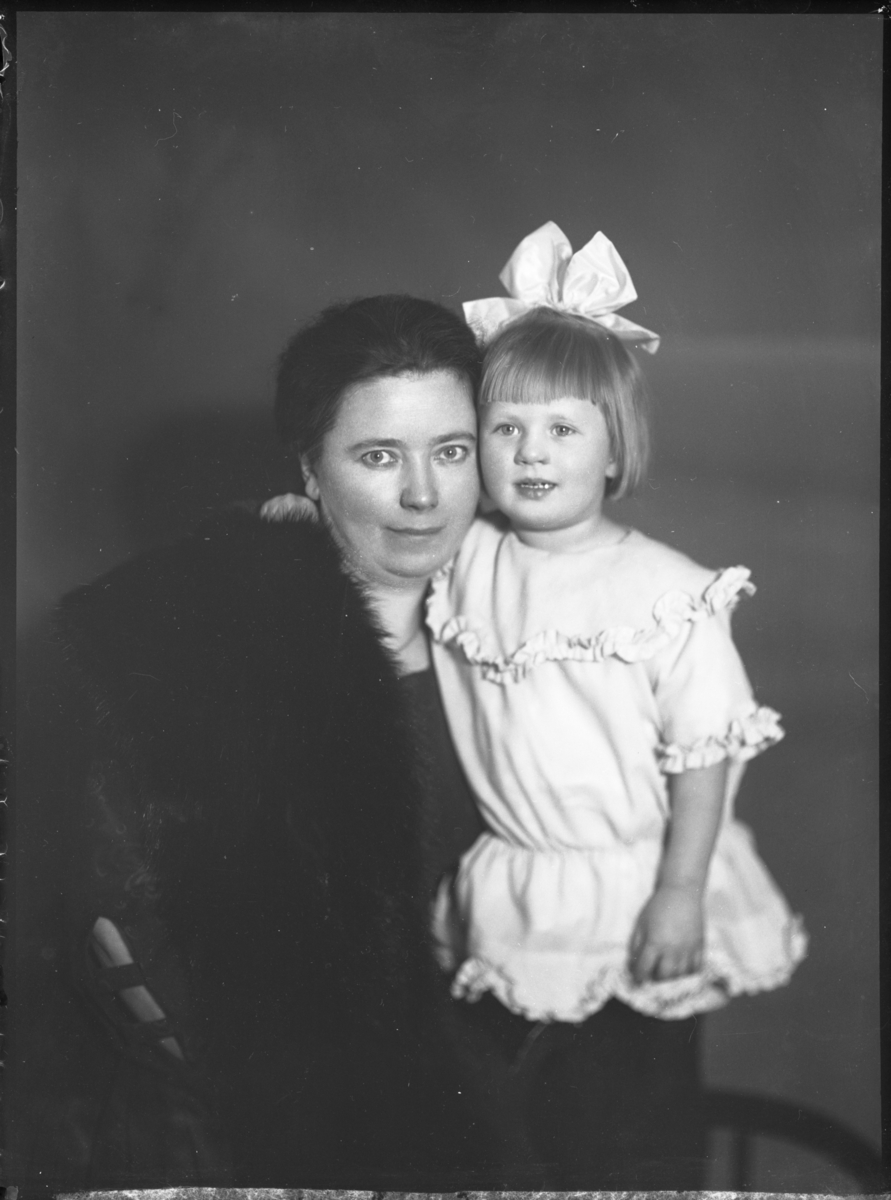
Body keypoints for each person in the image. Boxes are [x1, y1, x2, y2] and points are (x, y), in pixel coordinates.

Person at [16, 295, 506, 1190]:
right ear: (310, 469)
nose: (423, 494)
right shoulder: (196, 645)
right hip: (246, 1145)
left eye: (451, 450)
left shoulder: (540, 624)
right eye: (378, 455)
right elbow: (126, 942)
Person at [423, 223, 809, 1189]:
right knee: (513, 1138)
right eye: (505, 429)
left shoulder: (662, 592)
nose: (530, 452)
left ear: (612, 449)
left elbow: (705, 754)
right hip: (520, 883)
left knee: (632, 1136)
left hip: (637, 889)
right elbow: (381, 550)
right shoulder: (469, 557)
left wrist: (678, 891)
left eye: (562, 429)